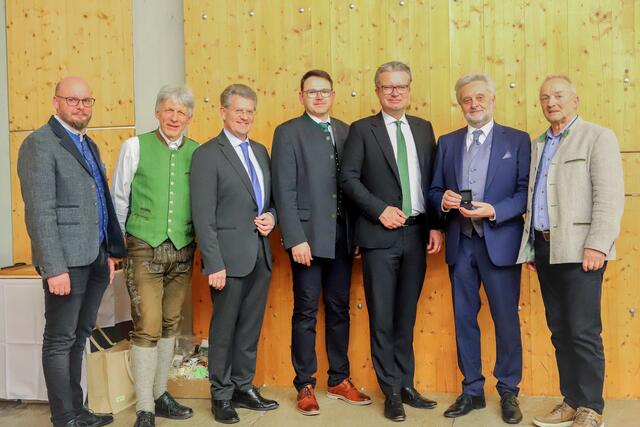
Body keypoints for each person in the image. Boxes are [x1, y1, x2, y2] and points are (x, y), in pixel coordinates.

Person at [17, 76, 125, 427]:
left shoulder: (88, 144)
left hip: (95, 258)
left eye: (86, 101)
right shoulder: (39, 144)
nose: (81, 107)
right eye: (73, 100)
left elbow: (99, 203)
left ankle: (78, 411)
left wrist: (110, 252)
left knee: (80, 337)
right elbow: (40, 212)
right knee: (60, 340)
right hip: (65, 262)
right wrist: (54, 267)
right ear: (56, 102)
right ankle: (64, 417)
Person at [518, 75, 624, 427]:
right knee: (560, 330)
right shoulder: (539, 143)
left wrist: (597, 244)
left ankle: (591, 407)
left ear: (575, 100)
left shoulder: (598, 137)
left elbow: (609, 197)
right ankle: (571, 400)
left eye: (558, 95)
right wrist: (531, 247)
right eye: (545, 97)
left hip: (583, 252)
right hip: (545, 249)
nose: (551, 102)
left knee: (583, 331)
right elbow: (535, 197)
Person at [340, 61, 443, 422]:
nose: (395, 92)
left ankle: (406, 384)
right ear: (377, 91)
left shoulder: (423, 128)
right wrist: (379, 210)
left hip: (416, 234)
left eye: (401, 86)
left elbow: (431, 181)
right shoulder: (361, 130)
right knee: (382, 317)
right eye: (388, 87)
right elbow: (348, 179)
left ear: (409, 90)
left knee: (406, 316)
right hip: (379, 236)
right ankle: (391, 392)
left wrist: (435, 225)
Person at [429, 73, 530, 424]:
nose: (474, 104)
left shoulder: (517, 140)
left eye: (480, 97)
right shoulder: (447, 142)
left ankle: (508, 390)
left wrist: (495, 211)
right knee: (464, 320)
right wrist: (442, 200)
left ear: (492, 99)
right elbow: (434, 190)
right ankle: (471, 389)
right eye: (467, 100)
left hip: (500, 244)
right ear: (460, 104)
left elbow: (525, 192)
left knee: (506, 320)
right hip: (461, 244)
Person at [272, 69, 372, 416]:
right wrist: (295, 238)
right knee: (305, 311)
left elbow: (354, 186)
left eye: (324, 91)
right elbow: (283, 189)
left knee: (339, 309)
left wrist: (356, 235)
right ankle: (304, 384)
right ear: (301, 96)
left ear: (333, 95)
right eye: (311, 91)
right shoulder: (288, 132)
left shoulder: (346, 131)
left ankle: (339, 379)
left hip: (342, 238)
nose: (318, 96)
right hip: (307, 240)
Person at [190, 84, 278, 424]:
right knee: (224, 330)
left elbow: (268, 202)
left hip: (259, 255)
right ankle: (221, 395)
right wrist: (213, 262)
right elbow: (203, 215)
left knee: (249, 329)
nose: (245, 116)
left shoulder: (260, 151)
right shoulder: (207, 154)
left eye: (249, 111)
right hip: (226, 261)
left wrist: (272, 217)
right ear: (223, 112)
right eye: (238, 110)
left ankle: (243, 387)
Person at [111, 85, 198, 427]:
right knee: (146, 326)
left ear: (189, 118)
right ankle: (145, 407)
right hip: (143, 246)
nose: (175, 117)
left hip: (183, 247)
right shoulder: (135, 146)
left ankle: (160, 394)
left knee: (170, 323)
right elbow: (120, 198)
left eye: (181, 112)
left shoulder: (197, 152)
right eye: (169, 110)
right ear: (157, 112)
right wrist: (119, 245)